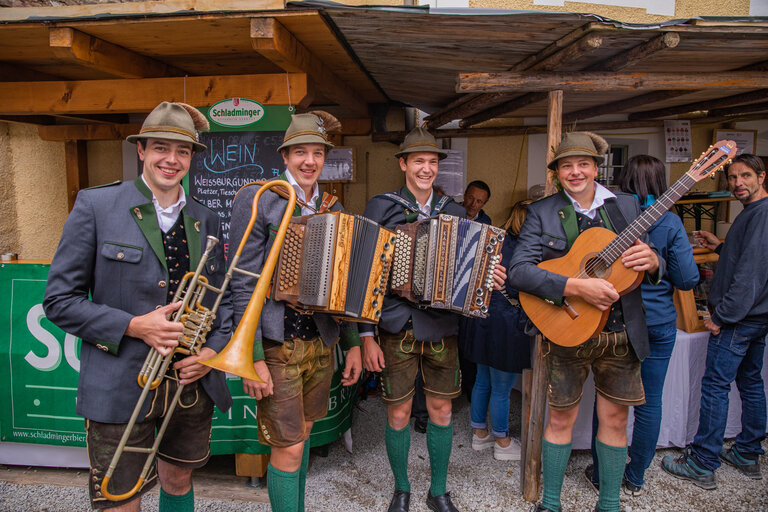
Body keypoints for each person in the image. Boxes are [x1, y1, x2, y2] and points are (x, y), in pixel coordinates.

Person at [43, 102, 233, 511]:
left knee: (179, 479)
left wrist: (212, 351)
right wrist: (133, 325)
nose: (172, 159)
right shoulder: (95, 206)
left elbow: (223, 297)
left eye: (182, 151)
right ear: (141, 150)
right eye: (161, 147)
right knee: (120, 497)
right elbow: (59, 302)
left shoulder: (206, 217)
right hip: (121, 383)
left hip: (188, 384)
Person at [508, 131, 664, 512]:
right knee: (560, 417)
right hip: (568, 329)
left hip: (620, 332)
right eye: (566, 166)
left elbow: (650, 259)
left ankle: (610, 503)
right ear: (558, 172)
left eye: (583, 164)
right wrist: (576, 286)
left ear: (596, 167)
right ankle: (551, 502)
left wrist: (655, 262)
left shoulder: (626, 206)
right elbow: (519, 273)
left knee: (615, 416)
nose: (575, 172)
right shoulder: (542, 211)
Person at [361, 127, 506, 512]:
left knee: (441, 410)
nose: (426, 168)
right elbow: (365, 275)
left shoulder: (454, 211)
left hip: (443, 327)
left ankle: (438, 490)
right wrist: (365, 336)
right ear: (403, 164)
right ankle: (402, 488)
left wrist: (489, 273)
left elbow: (473, 270)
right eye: (419, 161)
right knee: (398, 410)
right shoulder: (382, 206)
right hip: (396, 324)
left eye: (432, 162)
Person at [228, 111, 362, 512]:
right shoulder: (258, 198)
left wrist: (352, 343)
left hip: (320, 342)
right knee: (286, 449)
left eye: (317, 153)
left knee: (302, 437)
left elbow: (345, 285)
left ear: (324, 158)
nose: (309, 161)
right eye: (300, 152)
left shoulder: (333, 205)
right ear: (284, 157)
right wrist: (250, 357)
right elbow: (242, 283)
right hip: (277, 343)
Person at [585, 155, 699, 497]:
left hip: (618, 321)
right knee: (650, 402)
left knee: (608, 401)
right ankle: (635, 477)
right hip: (660, 323)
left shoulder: (611, 218)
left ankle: (603, 472)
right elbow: (688, 279)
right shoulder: (670, 223)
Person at [662, 153, 768, 488]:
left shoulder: (761, 214)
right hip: (758, 316)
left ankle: (703, 462)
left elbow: (750, 275)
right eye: (733, 178)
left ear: (762, 177)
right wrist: (720, 245)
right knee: (750, 382)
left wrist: (721, 316)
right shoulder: (754, 213)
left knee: (715, 386)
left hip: (739, 319)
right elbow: (748, 259)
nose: (738, 183)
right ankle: (748, 452)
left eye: (746, 176)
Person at [462, 200, 533, 462]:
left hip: (481, 318)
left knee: (482, 380)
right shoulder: (526, 249)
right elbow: (519, 287)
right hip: (505, 323)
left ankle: (480, 434)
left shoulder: (496, 239)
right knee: (502, 387)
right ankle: (502, 441)